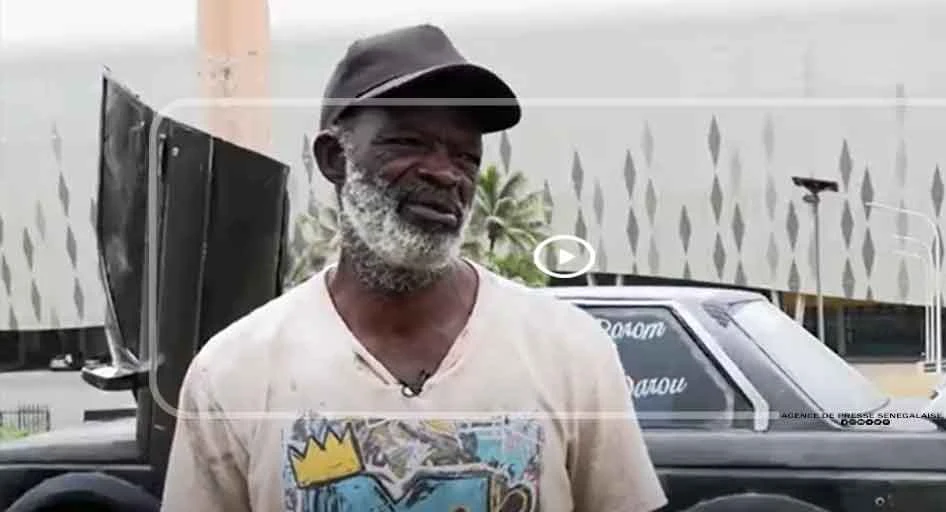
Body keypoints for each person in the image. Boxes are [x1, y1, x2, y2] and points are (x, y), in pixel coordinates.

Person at [161, 24, 667, 512]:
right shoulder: (232, 374)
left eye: (465, 156)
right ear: (334, 158)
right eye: (407, 143)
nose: (445, 173)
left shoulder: (570, 352)